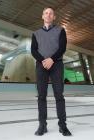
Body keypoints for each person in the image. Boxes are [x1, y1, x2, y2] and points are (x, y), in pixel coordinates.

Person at [31, 7, 72, 136]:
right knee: (41, 96)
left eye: (51, 13)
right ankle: (42, 125)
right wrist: (44, 61)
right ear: (42, 16)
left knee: (59, 95)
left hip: (57, 65)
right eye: (46, 13)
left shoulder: (61, 30)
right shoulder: (35, 34)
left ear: (54, 17)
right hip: (41, 65)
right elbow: (33, 50)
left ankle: (62, 125)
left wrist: (52, 60)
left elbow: (62, 48)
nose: (48, 15)